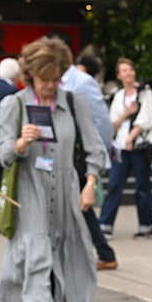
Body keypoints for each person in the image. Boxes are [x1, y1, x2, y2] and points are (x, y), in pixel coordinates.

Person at [0, 36, 107, 301]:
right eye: (45, 79)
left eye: (56, 78)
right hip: (29, 194)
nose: (50, 85)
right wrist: (21, 144)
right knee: (35, 264)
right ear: (30, 74)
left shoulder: (73, 102)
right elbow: (3, 153)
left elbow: (95, 148)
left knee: (76, 266)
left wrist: (90, 185)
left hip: (68, 196)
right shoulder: (15, 104)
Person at [61, 53, 118, 270]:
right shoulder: (52, 83)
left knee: (81, 203)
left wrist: (102, 151)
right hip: (59, 155)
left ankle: (104, 252)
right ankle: (101, 251)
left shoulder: (83, 82)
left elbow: (102, 120)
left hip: (80, 155)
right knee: (78, 205)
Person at [99, 57, 152, 240]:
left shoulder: (144, 92)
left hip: (139, 145)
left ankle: (146, 225)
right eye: (124, 70)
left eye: (130, 69)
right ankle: (105, 224)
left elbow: (147, 119)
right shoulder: (118, 97)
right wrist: (127, 113)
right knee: (115, 183)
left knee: (142, 185)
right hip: (121, 146)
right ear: (118, 75)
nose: (128, 73)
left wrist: (131, 137)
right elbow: (113, 124)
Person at [0, 57, 20, 234]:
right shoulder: (14, 92)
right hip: (7, 145)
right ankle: (4, 220)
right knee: (7, 183)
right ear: (15, 74)